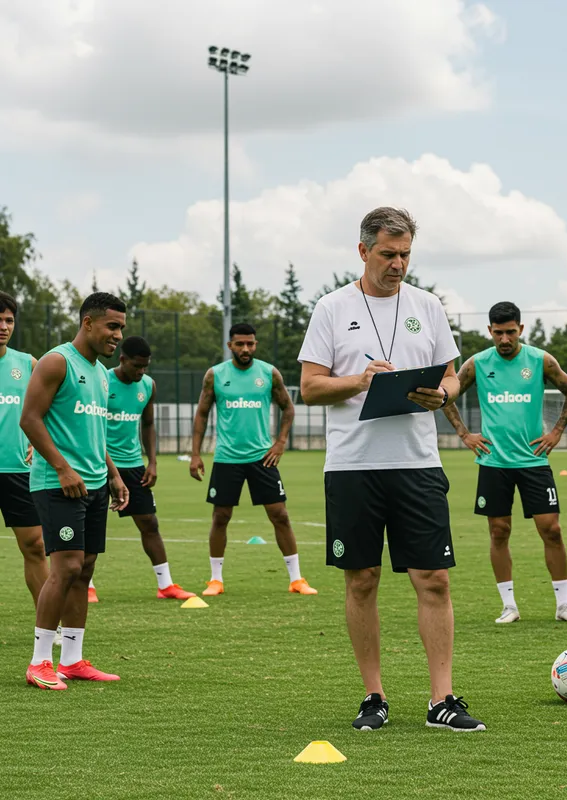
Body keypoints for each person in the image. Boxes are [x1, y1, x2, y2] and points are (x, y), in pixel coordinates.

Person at [299, 206, 486, 732]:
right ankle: (373, 696)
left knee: (435, 580)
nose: (398, 263)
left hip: (417, 465)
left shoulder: (427, 306)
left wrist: (440, 393)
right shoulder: (331, 308)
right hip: (353, 467)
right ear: (363, 252)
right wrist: (360, 381)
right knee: (362, 580)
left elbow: (452, 378)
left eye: (405, 254)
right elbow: (311, 386)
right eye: (388, 254)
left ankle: (442, 700)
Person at [443, 300, 567, 625]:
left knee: (551, 529)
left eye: (510, 333)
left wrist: (557, 432)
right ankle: (509, 606)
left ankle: (563, 605)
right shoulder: (478, 363)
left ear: (521, 329)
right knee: (499, 531)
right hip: (494, 463)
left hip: (534, 461)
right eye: (498, 333)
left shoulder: (540, 360)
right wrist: (465, 435)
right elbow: (446, 397)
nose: (504, 339)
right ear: (490, 331)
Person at [21, 292, 130, 690]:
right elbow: (29, 419)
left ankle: (72, 660)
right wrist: (63, 469)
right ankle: (39, 662)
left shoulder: (101, 373)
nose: (117, 335)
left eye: (121, 328)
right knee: (65, 567)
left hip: (95, 483)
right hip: (58, 484)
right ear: (88, 323)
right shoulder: (57, 361)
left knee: (84, 571)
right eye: (112, 326)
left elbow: (93, 432)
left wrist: (114, 475)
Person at [190, 323, 317, 597]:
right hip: (226, 458)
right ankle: (215, 580)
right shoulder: (215, 375)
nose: (245, 349)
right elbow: (201, 413)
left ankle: (296, 579)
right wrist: (196, 453)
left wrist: (281, 442)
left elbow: (288, 408)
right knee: (220, 517)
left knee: (280, 515)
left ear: (255, 345)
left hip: (262, 458)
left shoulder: (268, 373)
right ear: (230, 346)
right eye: (240, 344)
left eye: (250, 344)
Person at [97, 335, 194, 600]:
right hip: (97, 462)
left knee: (149, 523)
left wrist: (152, 461)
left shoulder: (148, 385)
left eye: (145, 367)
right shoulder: (102, 381)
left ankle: (166, 585)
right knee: (89, 524)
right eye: (136, 366)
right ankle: (86, 586)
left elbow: (148, 425)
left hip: (132, 465)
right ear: (122, 360)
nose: (141, 371)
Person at [0, 292, 48, 607]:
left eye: (8, 320)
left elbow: (47, 411)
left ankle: (49, 626)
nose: (3, 326)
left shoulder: (27, 363)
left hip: (17, 471)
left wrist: (36, 442)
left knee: (35, 546)